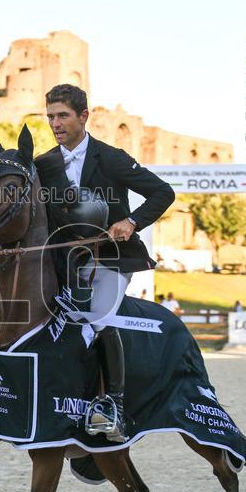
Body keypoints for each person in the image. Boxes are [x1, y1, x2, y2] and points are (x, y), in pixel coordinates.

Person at [35, 83, 175, 444]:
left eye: (62, 115)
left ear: (84, 116)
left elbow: (164, 193)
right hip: (64, 263)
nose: (55, 123)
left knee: (96, 317)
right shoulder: (43, 165)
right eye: (50, 116)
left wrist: (131, 222)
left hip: (112, 259)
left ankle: (112, 403)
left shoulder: (110, 158)